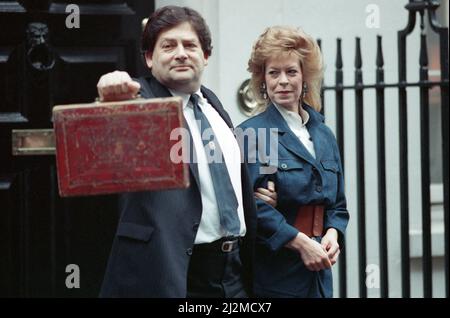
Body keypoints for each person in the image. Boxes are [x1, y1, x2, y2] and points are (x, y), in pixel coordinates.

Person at [96, 6, 276, 298]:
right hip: (170, 273)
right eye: (168, 46)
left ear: (205, 56)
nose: (181, 53)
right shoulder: (140, 101)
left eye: (190, 45)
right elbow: (107, 133)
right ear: (149, 58)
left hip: (233, 274)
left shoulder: (214, 105)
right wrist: (110, 91)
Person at [237, 26, 349, 298]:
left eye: (291, 71)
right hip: (277, 273)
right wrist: (300, 243)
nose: (283, 81)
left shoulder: (323, 134)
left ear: (305, 77)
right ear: (263, 80)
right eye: (273, 73)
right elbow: (254, 210)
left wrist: (334, 234)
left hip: (320, 271)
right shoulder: (252, 134)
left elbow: (338, 204)